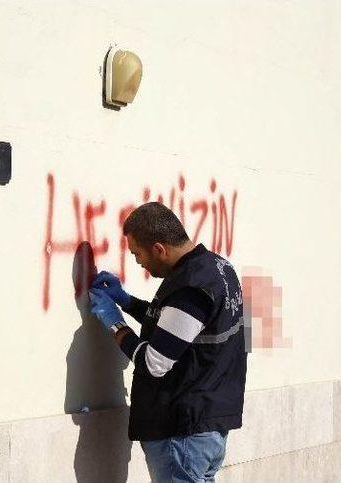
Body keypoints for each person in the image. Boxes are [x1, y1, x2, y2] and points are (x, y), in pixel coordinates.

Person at [89, 201, 247, 483]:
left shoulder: (191, 286)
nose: (138, 262)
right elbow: (177, 327)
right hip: (206, 425)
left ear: (159, 249)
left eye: (138, 254)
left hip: (182, 430)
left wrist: (114, 323)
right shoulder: (218, 268)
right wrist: (126, 302)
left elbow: (154, 363)